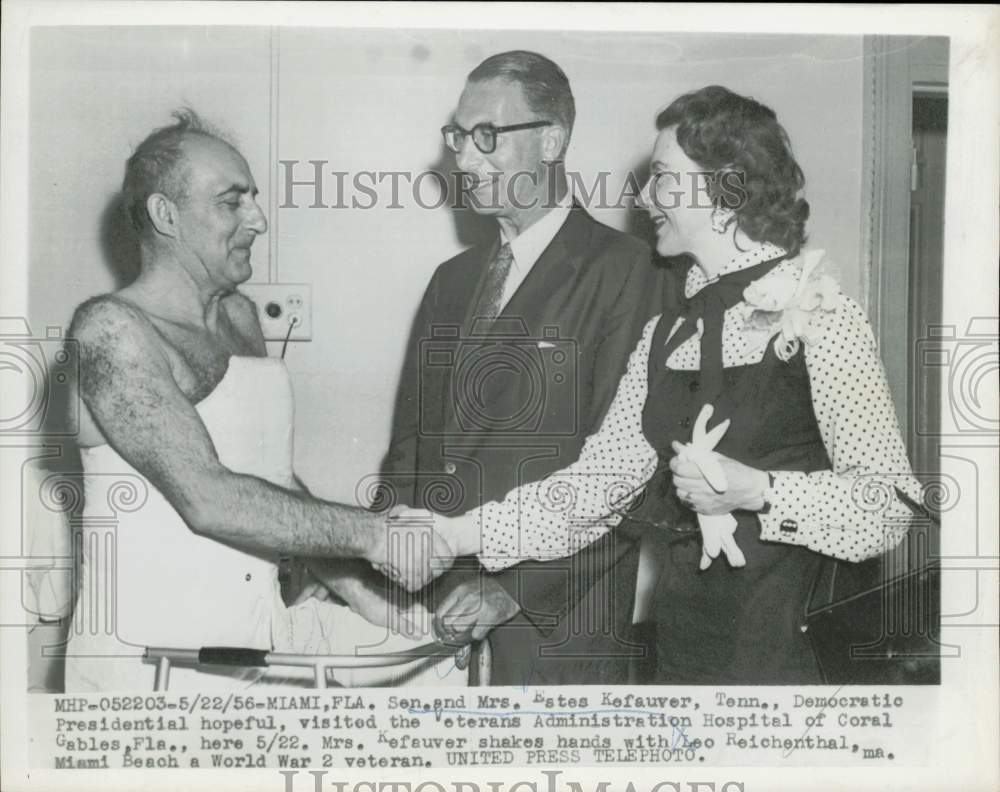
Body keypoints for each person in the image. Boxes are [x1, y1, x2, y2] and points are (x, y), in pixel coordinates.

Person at [436, 85, 924, 684]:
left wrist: (758, 491)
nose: (643, 198)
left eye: (663, 178)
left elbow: (890, 509)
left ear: (726, 192)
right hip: (686, 651)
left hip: (791, 657)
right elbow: (592, 489)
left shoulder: (820, 313)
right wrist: (454, 533)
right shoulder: (666, 335)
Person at [64, 110, 449, 691]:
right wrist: (375, 535)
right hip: (148, 666)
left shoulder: (240, 317)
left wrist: (359, 589)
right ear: (166, 215)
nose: (259, 220)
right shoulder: (111, 329)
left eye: (254, 199)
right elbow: (209, 496)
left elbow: (268, 482)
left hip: (251, 641)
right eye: (232, 202)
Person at [374, 51, 670, 685]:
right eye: (458, 136)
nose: (464, 157)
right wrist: (392, 568)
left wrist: (511, 592)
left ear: (551, 141)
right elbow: (411, 448)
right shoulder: (449, 283)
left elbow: (629, 476)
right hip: (436, 625)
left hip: (558, 628)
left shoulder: (628, 271)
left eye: (488, 136)